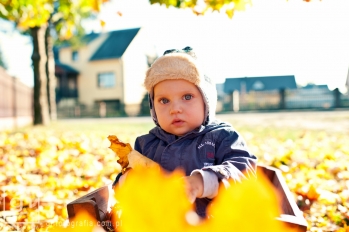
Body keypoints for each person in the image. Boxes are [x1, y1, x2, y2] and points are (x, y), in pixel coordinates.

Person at [118, 47, 257, 218]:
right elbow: (123, 184)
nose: (175, 109)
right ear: (153, 107)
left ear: (206, 101)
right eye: (164, 100)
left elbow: (244, 171)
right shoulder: (146, 144)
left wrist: (201, 182)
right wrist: (129, 181)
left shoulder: (222, 137)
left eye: (187, 97)